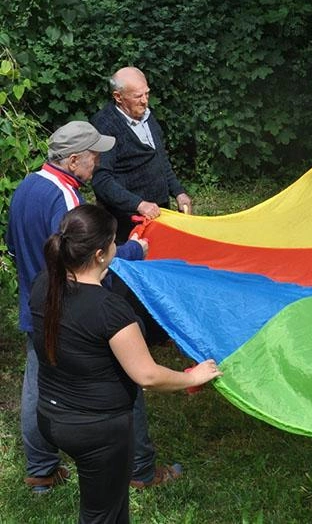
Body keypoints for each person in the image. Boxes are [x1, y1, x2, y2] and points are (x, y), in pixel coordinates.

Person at [31, 204, 222, 523]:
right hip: (97, 431)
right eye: (113, 241)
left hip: (52, 417)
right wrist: (193, 377)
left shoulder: (44, 285)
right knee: (101, 514)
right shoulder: (109, 310)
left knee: (112, 505)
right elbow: (147, 375)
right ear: (100, 254)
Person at [5, 121, 152, 493]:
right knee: (123, 379)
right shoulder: (67, 200)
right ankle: (139, 469)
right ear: (73, 160)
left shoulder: (25, 187)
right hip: (73, 308)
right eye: (93, 157)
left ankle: (41, 469)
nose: (98, 164)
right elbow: (87, 259)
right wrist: (134, 248)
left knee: (38, 387)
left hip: (36, 305)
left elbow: (12, 245)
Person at [91, 66, 192, 243]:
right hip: (127, 223)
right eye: (138, 96)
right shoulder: (105, 126)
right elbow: (102, 181)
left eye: (147, 94)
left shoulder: (147, 117)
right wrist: (139, 205)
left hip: (159, 214)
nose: (145, 101)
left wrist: (178, 192)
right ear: (118, 97)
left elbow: (159, 158)